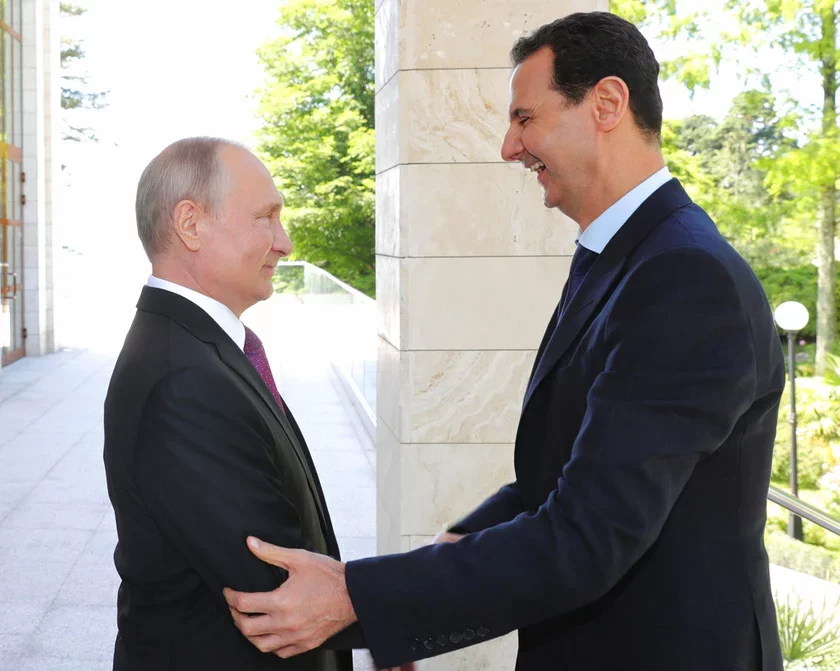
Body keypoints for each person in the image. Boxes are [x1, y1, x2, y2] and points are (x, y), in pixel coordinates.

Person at [223, 12, 786, 671]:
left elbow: (588, 535)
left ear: (607, 103)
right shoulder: (624, 256)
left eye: (525, 118)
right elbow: (564, 476)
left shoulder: (684, 278)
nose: (508, 147)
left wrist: (361, 599)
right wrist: (438, 564)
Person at [103, 137, 361, 671]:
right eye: (265, 218)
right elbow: (278, 587)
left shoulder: (198, 350)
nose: (284, 243)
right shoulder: (184, 378)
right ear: (190, 225)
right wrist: (393, 615)